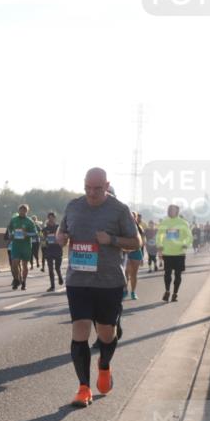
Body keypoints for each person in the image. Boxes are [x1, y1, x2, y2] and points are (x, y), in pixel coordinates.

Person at [56, 168, 140, 408]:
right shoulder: (73, 206)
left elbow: (136, 242)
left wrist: (111, 240)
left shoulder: (119, 210)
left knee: (107, 334)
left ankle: (104, 365)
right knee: (79, 331)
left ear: (107, 185)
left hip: (108, 283)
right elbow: (63, 231)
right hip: (78, 281)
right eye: (88, 188)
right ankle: (83, 388)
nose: (92, 193)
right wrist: (61, 237)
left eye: (98, 188)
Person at [156, 205, 192, 303]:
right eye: (170, 210)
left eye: (173, 210)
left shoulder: (183, 223)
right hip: (167, 253)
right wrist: (159, 245)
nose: (171, 211)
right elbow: (159, 235)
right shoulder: (165, 222)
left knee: (178, 275)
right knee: (167, 274)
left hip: (179, 253)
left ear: (177, 211)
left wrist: (186, 244)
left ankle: (175, 293)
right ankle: (167, 291)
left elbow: (189, 236)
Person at [6, 205, 37, 290]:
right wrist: (11, 234)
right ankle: (16, 280)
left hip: (26, 246)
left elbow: (35, 233)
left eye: (24, 210)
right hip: (16, 245)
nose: (22, 212)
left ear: (26, 211)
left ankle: (24, 282)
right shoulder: (14, 220)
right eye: (21, 210)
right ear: (18, 210)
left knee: (24, 265)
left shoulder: (29, 221)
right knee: (14, 264)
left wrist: (27, 234)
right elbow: (9, 228)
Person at [41, 211, 64, 292]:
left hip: (57, 249)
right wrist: (44, 241)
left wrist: (59, 241)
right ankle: (52, 286)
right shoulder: (44, 229)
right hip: (49, 250)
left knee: (57, 268)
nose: (51, 219)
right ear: (48, 219)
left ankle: (60, 276)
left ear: (55, 218)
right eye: (49, 218)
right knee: (50, 269)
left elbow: (64, 237)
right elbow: (42, 239)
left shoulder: (59, 228)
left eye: (52, 218)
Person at [125, 212, 146, 300]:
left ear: (136, 218)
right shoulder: (122, 227)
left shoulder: (139, 228)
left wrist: (142, 256)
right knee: (126, 273)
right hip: (126, 252)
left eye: (133, 217)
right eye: (129, 216)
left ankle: (133, 292)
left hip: (136, 252)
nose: (131, 218)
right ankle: (125, 290)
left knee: (134, 274)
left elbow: (143, 243)